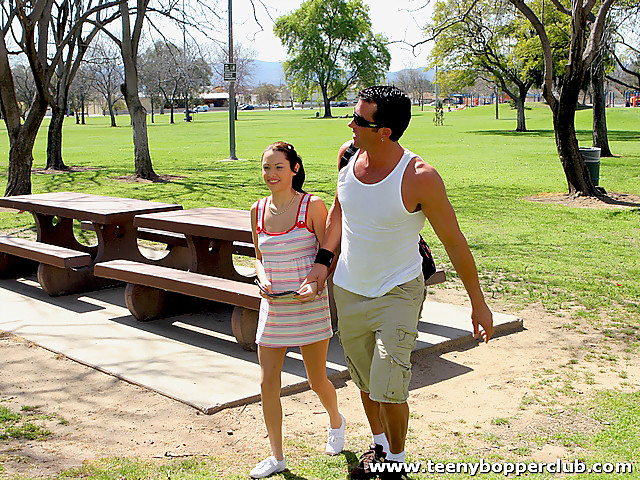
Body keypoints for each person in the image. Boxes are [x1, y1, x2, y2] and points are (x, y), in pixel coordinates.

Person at [302, 86, 494, 478]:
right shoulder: (348, 155)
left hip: (399, 291)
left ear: (385, 131)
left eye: (359, 119)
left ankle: (394, 463)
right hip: (350, 289)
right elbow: (341, 212)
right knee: (367, 380)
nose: (350, 124)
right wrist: (323, 263)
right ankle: (380, 445)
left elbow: (455, 244)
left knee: (389, 383)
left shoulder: (419, 177)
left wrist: (478, 303)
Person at [249, 141, 345, 478]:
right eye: (266, 167)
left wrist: (316, 284)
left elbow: (328, 252)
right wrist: (261, 280)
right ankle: (277, 457)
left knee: (317, 379)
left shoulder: (312, 206)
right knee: (267, 383)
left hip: (309, 305)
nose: (271, 174)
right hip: (273, 308)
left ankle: (336, 421)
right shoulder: (257, 210)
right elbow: (260, 258)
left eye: (278, 167)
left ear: (294, 169)